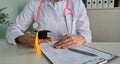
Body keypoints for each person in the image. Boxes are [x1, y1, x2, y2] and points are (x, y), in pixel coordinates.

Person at [6, 0, 92, 49]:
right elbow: (13, 28)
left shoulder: (77, 3)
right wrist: (20, 38)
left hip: (71, 52)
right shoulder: (34, 3)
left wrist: (81, 38)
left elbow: (86, 34)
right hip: (41, 53)